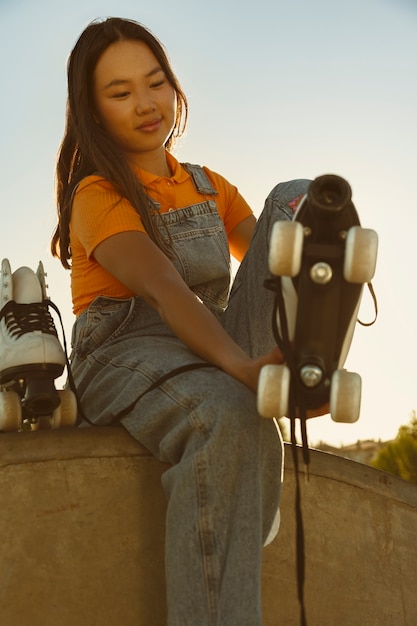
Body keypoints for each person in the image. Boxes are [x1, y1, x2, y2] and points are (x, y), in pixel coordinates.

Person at [51, 16, 310, 626]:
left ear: (174, 86)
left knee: (300, 200)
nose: (145, 104)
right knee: (228, 415)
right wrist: (244, 367)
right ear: (92, 110)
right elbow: (165, 289)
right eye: (119, 93)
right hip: (126, 349)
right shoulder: (97, 194)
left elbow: (272, 269)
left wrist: (290, 344)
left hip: (210, 337)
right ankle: (244, 474)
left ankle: (309, 366)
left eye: (155, 82)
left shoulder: (206, 185)